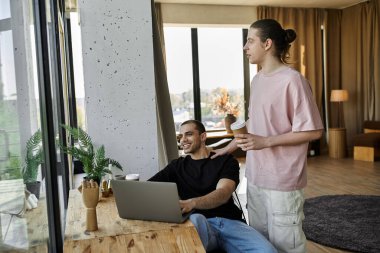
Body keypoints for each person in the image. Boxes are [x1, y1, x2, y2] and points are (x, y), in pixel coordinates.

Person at [211, 19, 324, 253]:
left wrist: (266, 142)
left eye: (250, 41)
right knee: (259, 244)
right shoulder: (258, 80)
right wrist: (228, 148)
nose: (245, 47)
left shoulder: (293, 81)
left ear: (267, 44)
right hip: (255, 177)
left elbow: (313, 130)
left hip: (283, 181)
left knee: (285, 247)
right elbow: (257, 122)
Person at [149, 120, 277, 253]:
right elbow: (148, 188)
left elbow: (223, 193)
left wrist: (192, 203)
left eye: (188, 134)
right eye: (180, 136)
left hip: (230, 223)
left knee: (267, 251)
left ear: (203, 136)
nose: (183, 140)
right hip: (199, 224)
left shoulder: (225, 161)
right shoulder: (176, 167)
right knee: (196, 219)